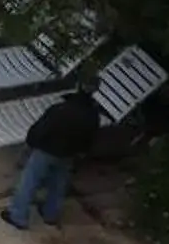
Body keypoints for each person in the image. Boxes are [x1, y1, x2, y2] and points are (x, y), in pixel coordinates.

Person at [5, 87, 102, 229]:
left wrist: (30, 144)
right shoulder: (92, 116)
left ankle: (18, 216)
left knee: (29, 181)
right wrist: (80, 153)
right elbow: (89, 139)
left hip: (46, 151)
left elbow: (40, 129)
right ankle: (50, 215)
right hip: (68, 155)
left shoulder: (59, 110)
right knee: (59, 185)